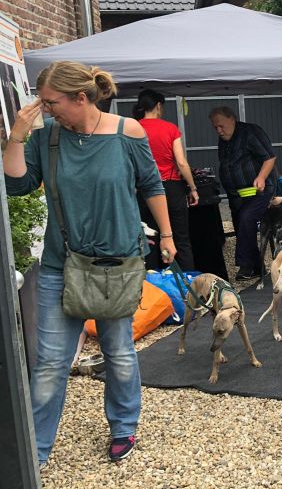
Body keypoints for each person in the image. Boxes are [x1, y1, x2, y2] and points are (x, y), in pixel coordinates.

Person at [3, 61, 175, 466]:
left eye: (51, 102)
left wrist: (167, 236)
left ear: (80, 98)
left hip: (118, 264)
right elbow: (16, 185)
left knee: (118, 352)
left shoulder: (127, 133)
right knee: (51, 363)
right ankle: (35, 451)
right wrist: (16, 136)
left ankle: (123, 426)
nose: (45, 109)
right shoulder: (47, 138)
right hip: (61, 266)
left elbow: (151, 185)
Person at [209, 106, 277, 281]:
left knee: (246, 217)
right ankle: (256, 267)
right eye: (215, 127)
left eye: (221, 126)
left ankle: (245, 265)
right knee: (241, 224)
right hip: (237, 193)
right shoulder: (224, 139)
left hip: (261, 190)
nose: (218, 130)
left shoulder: (251, 132)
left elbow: (270, 157)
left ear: (232, 119)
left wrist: (261, 177)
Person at [133, 89, 198, 270]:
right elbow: (181, 162)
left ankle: (153, 281)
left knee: (150, 238)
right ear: (158, 106)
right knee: (180, 238)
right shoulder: (170, 128)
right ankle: (186, 280)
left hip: (144, 190)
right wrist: (192, 187)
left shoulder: (133, 128)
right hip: (172, 188)